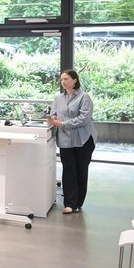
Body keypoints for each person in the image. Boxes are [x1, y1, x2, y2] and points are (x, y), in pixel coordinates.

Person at [49, 70, 96, 214]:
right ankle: (69, 204)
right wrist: (52, 119)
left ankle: (78, 202)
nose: (63, 82)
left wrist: (62, 124)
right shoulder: (58, 98)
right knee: (68, 171)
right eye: (61, 79)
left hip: (83, 139)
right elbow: (53, 114)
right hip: (65, 139)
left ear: (74, 80)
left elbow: (84, 119)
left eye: (66, 79)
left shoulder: (84, 97)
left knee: (81, 171)